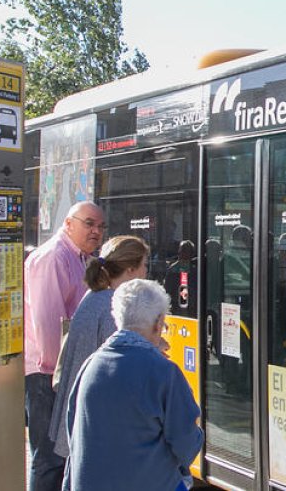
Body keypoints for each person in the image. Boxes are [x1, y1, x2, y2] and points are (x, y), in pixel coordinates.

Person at [66, 279, 203, 491]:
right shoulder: (164, 372)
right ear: (158, 323)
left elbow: (73, 432)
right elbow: (186, 443)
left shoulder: (90, 366)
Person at [48, 235, 150, 486]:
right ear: (130, 270)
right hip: (98, 426)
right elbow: (119, 365)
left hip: (82, 418)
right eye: (145, 265)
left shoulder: (94, 296)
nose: (147, 271)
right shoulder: (113, 306)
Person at [25, 201, 106, 491]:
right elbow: (48, 323)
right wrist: (59, 378)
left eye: (100, 226)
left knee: (61, 455)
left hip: (61, 372)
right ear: (68, 224)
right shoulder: (53, 257)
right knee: (49, 458)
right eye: (89, 223)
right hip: (47, 374)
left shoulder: (81, 258)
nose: (96, 231)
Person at [164, 240, 197, 315]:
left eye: (186, 251)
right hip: (177, 307)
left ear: (192, 254)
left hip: (193, 308)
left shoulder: (195, 269)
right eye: (182, 250)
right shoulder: (173, 270)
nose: (182, 253)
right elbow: (167, 290)